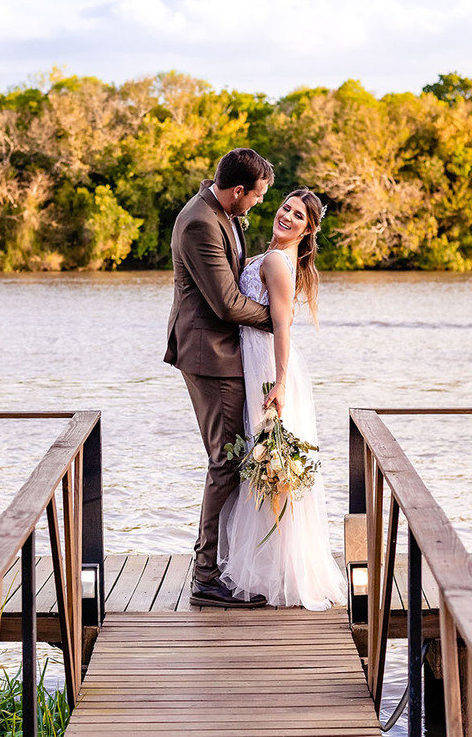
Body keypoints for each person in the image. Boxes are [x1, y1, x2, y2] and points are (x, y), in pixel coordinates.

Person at [218, 188, 346, 610]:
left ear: (308, 230)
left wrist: (280, 382)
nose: (287, 216)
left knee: (270, 468)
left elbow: (282, 325)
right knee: (268, 468)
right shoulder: (273, 256)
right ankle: (273, 564)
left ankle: (276, 569)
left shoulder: (275, 261)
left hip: (266, 365)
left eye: (298, 216)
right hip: (259, 358)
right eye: (286, 208)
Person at [165, 148, 275, 608]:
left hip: (227, 352)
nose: (257, 205)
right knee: (225, 460)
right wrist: (276, 319)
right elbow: (227, 304)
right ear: (237, 191)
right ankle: (206, 575)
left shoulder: (221, 212)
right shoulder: (199, 223)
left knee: (235, 455)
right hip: (209, 353)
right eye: (257, 197)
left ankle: (225, 564)